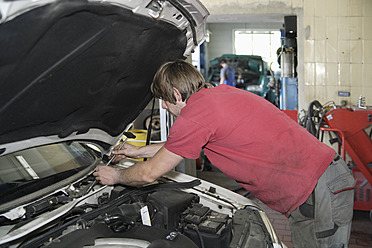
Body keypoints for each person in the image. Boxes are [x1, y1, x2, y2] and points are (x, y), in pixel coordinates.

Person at [94, 59, 355, 248]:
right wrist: (138, 150)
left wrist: (116, 176)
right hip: (319, 183)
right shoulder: (215, 97)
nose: (163, 105)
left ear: (175, 93)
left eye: (164, 99)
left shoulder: (196, 116)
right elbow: (179, 146)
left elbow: (150, 173)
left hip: (318, 190)